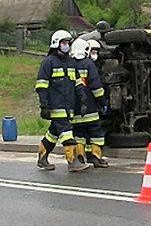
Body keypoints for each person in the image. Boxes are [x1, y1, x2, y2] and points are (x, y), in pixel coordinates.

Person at [35, 29, 91, 172]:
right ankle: (72, 161)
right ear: (56, 44)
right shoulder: (49, 62)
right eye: (64, 42)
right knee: (66, 132)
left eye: (68, 43)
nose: (66, 45)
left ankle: (42, 157)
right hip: (56, 106)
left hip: (69, 106)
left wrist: (83, 100)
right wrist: (44, 105)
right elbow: (42, 85)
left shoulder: (71, 62)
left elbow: (78, 83)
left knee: (53, 133)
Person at [70, 38, 109, 168]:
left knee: (79, 135)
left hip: (75, 109)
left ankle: (80, 157)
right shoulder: (89, 64)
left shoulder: (70, 64)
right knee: (96, 134)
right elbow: (96, 87)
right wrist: (103, 101)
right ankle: (96, 158)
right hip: (90, 107)